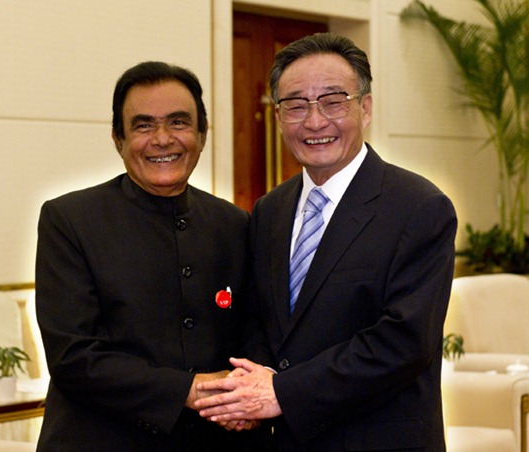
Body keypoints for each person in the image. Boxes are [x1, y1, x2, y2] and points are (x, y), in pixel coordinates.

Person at [195, 33, 458, 451]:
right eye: (296, 105)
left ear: (366, 107)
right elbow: (259, 320)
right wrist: (249, 386)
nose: (315, 122)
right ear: (279, 117)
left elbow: (403, 343)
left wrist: (281, 393)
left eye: (333, 102)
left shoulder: (419, 207)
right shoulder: (269, 211)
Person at [34, 61, 271, 451]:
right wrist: (189, 389)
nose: (162, 139)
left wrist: (246, 390)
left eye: (178, 123)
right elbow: (74, 359)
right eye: (143, 126)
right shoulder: (70, 221)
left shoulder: (234, 223)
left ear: (202, 134)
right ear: (118, 138)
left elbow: (255, 329)